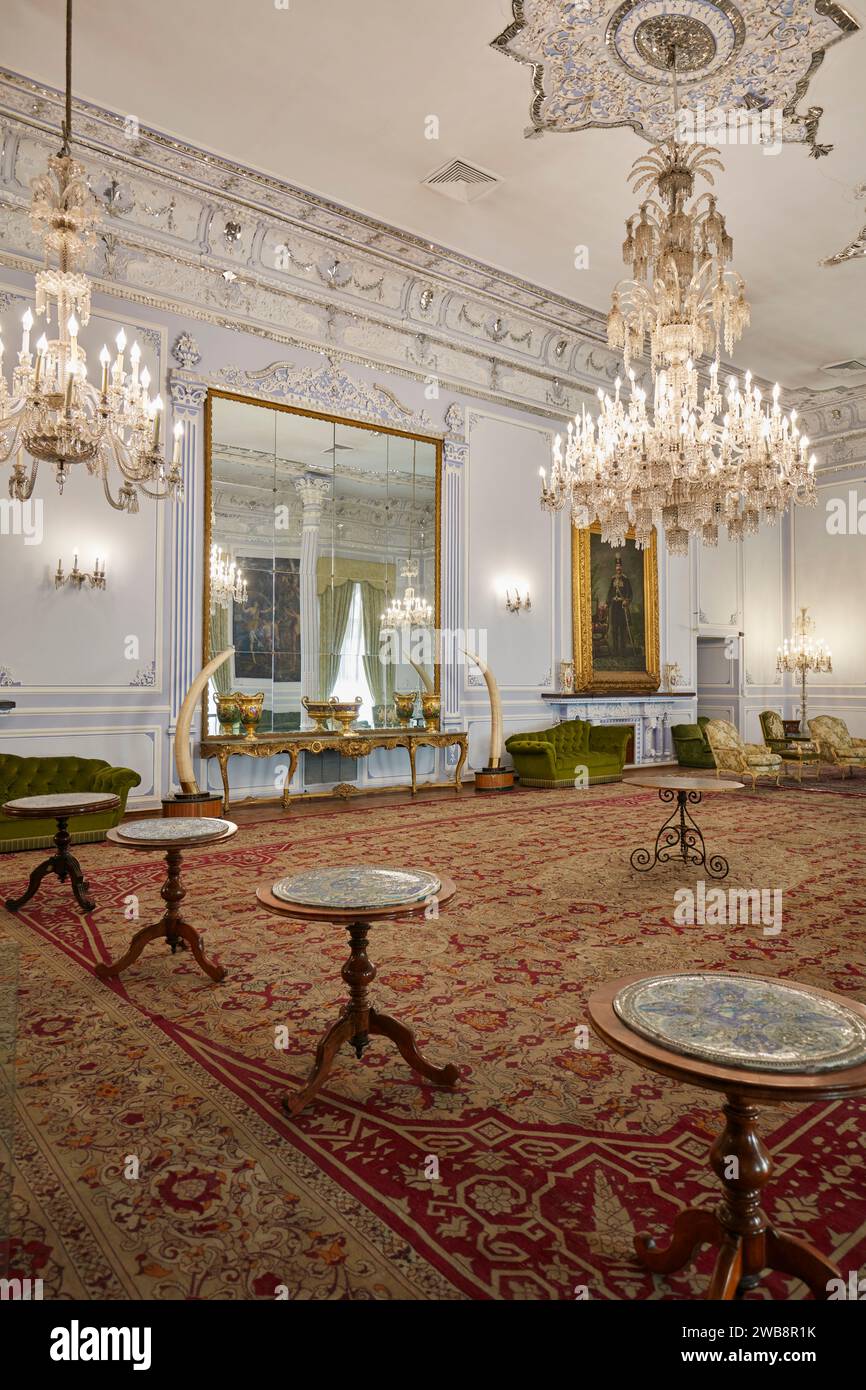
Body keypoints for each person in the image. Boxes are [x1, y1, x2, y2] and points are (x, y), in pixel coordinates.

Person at [606, 555, 633, 657]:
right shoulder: (613, 579)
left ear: (622, 567)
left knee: (622, 629)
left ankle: (623, 652)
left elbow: (630, 593)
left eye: (620, 566)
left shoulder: (626, 579)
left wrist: (626, 601)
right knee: (614, 629)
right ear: (615, 568)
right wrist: (607, 603)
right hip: (614, 607)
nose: (618, 568)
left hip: (622, 607)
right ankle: (615, 652)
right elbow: (609, 593)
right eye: (617, 566)